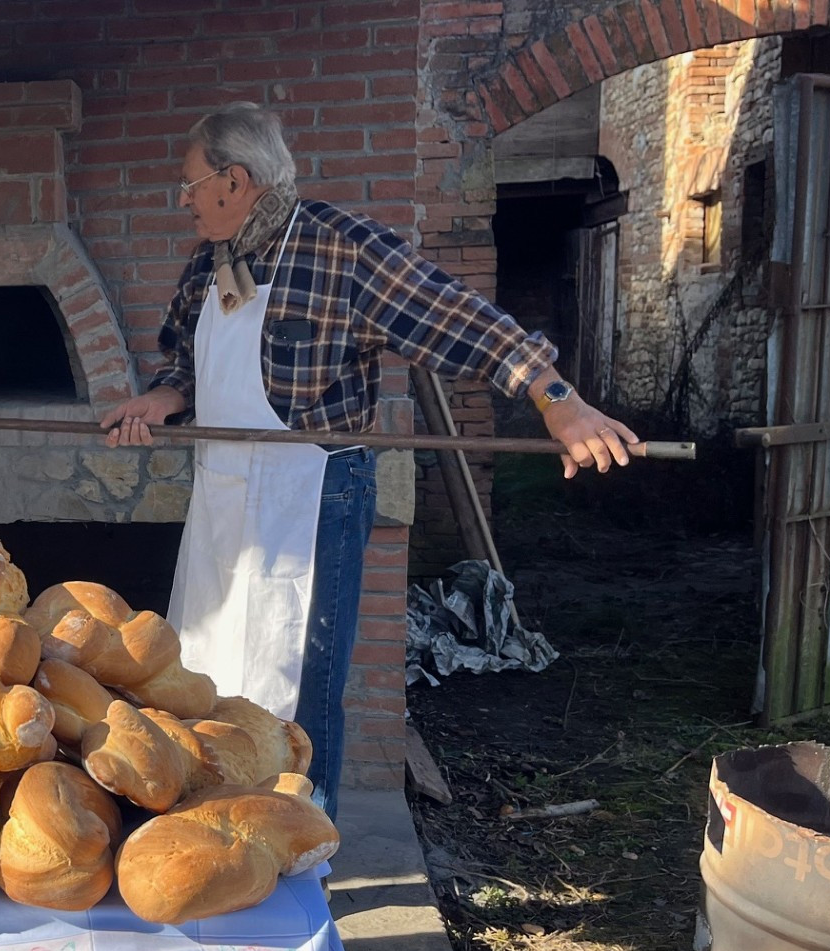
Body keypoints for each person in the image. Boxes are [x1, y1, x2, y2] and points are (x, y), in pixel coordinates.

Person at [101, 103, 640, 818]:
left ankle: (302, 841)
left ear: (234, 180)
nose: (186, 200)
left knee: (296, 679)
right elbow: (186, 362)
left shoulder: (338, 248)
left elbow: (452, 315)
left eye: (191, 185)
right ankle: (219, 822)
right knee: (205, 665)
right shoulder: (211, 261)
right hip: (224, 496)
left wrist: (555, 398)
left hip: (311, 494)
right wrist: (164, 400)